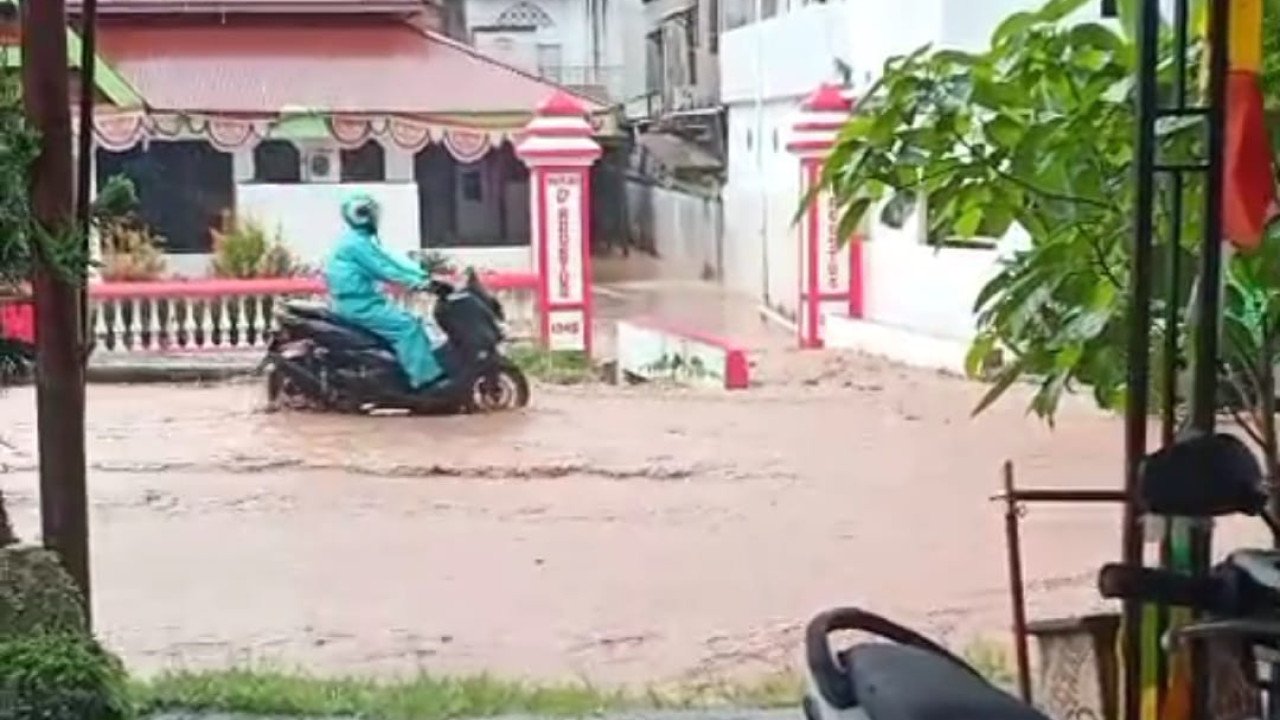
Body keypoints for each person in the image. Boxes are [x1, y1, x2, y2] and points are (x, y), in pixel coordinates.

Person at [325, 193, 446, 390]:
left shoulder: (358, 240)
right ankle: (426, 384)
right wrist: (418, 283)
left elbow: (392, 260)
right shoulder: (356, 244)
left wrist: (423, 276)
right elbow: (385, 269)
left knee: (412, 320)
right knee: (408, 328)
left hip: (362, 302)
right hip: (359, 305)